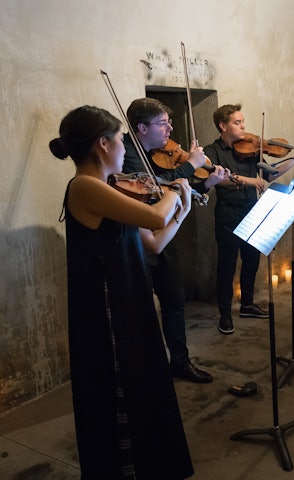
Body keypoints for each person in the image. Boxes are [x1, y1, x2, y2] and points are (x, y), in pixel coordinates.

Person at [51, 105, 194, 478]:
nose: (123, 149)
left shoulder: (112, 190)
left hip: (131, 302)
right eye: (119, 140)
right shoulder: (85, 187)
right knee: (121, 393)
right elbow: (157, 215)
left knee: (145, 387)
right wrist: (176, 188)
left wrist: (183, 207)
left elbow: (154, 242)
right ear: (102, 144)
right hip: (108, 312)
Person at [123, 97, 228, 383]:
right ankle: (147, 370)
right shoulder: (126, 152)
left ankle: (180, 363)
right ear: (141, 128)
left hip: (163, 236)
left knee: (174, 301)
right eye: (162, 123)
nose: (170, 129)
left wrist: (206, 183)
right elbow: (153, 183)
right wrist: (191, 165)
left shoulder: (156, 152)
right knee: (141, 311)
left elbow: (172, 185)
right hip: (137, 242)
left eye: (169, 122)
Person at [204, 103, 294, 334]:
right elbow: (215, 176)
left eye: (243, 122)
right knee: (227, 266)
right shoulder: (212, 151)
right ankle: (225, 315)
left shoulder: (250, 149)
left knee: (251, 260)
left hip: (252, 209)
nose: (243, 126)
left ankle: (247, 305)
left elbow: (270, 174)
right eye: (237, 122)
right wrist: (250, 181)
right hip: (228, 213)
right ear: (223, 125)